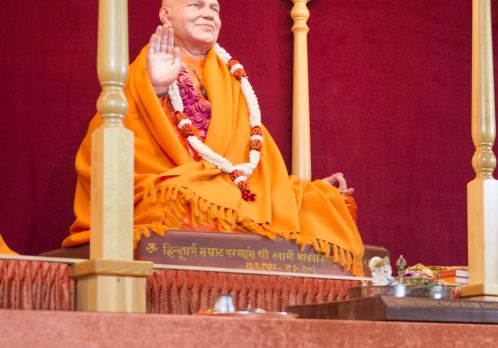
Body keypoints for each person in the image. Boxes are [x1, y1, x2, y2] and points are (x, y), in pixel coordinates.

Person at [63, 0, 363, 274]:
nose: (208, 14)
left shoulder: (231, 76)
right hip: (176, 184)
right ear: (166, 15)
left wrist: (293, 189)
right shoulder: (146, 69)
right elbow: (114, 138)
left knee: (326, 203)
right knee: (179, 202)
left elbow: (254, 158)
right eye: (196, 6)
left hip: (232, 187)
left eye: (214, 9)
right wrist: (156, 91)